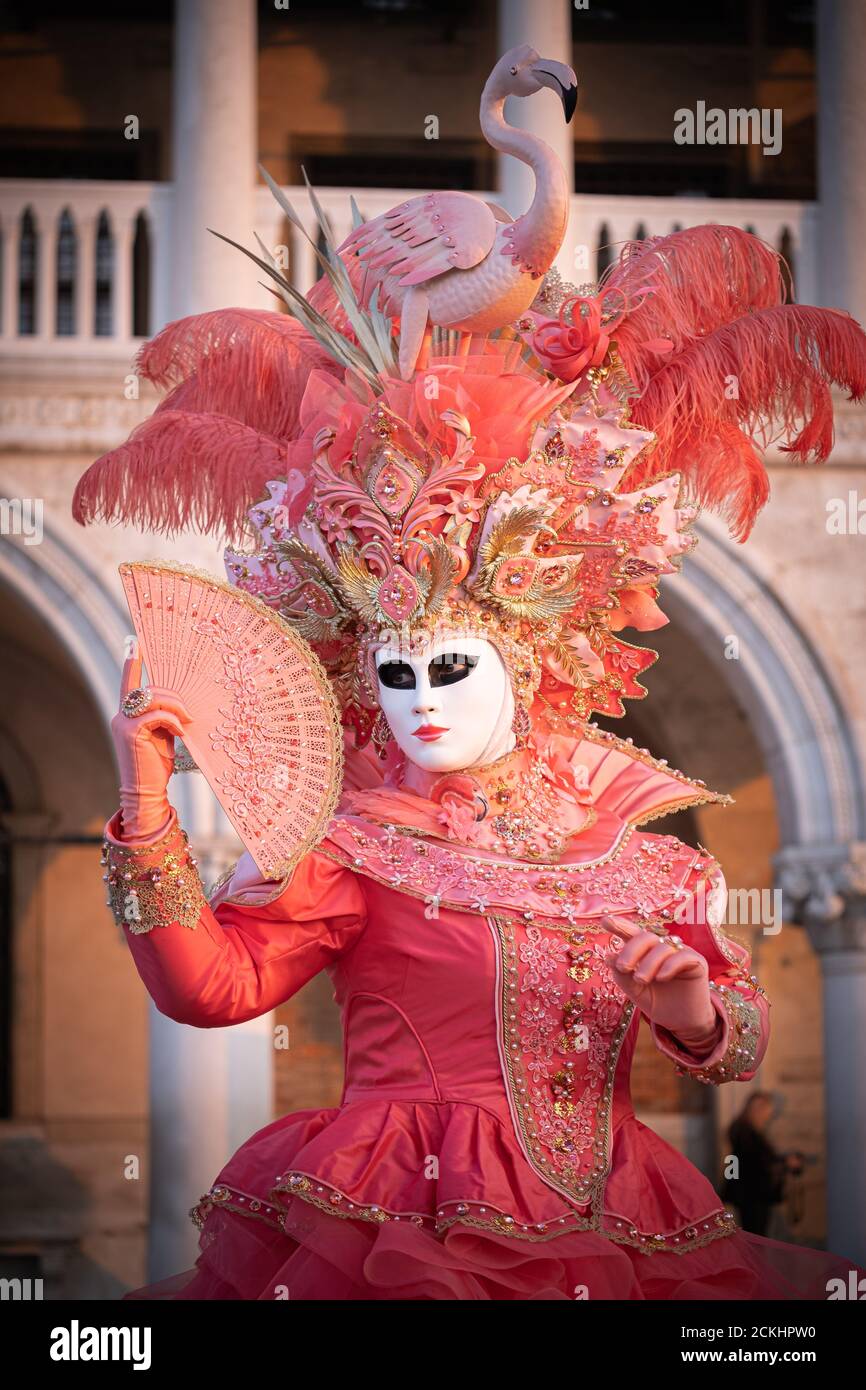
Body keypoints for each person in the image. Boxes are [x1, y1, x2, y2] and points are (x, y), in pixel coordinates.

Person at [74, 57, 866, 1302]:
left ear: (531, 652)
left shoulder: (639, 847)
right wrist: (145, 799)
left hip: (623, 1223)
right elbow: (211, 990)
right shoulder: (351, 844)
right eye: (391, 673)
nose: (417, 698)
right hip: (395, 1229)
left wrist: (691, 1012)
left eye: (447, 665)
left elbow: (733, 1039)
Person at [722, 1092, 805, 1238]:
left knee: (756, 1236)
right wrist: (786, 1162)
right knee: (755, 1237)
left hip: (751, 1192)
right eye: (766, 1111)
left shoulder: (746, 1131)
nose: (767, 1116)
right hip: (752, 1193)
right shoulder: (745, 1132)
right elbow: (755, 1162)